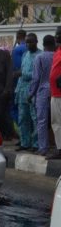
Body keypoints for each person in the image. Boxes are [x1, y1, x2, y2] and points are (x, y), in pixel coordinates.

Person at [29, 35, 55, 156]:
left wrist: (30, 94)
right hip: (56, 92)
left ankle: (43, 148)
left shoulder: (39, 57)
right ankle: (57, 146)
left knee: (42, 121)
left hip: (42, 92)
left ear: (43, 44)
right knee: (57, 121)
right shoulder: (57, 56)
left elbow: (36, 78)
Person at [15, 33, 41, 152]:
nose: (28, 44)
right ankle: (25, 143)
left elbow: (38, 76)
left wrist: (23, 74)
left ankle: (36, 144)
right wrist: (17, 90)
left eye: (31, 42)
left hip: (34, 91)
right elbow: (21, 74)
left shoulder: (40, 55)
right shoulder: (25, 54)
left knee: (35, 118)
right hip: (22, 91)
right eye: (27, 42)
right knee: (22, 118)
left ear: (36, 41)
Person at [11, 29, 28, 134]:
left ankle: (22, 134)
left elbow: (17, 67)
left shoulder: (17, 49)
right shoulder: (34, 49)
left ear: (17, 37)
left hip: (18, 83)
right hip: (32, 83)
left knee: (14, 109)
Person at [50, 27, 61, 160]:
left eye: (59, 35)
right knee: (56, 122)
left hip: (59, 93)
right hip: (54, 92)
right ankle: (59, 148)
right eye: (56, 35)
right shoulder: (57, 51)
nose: (56, 36)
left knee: (58, 122)